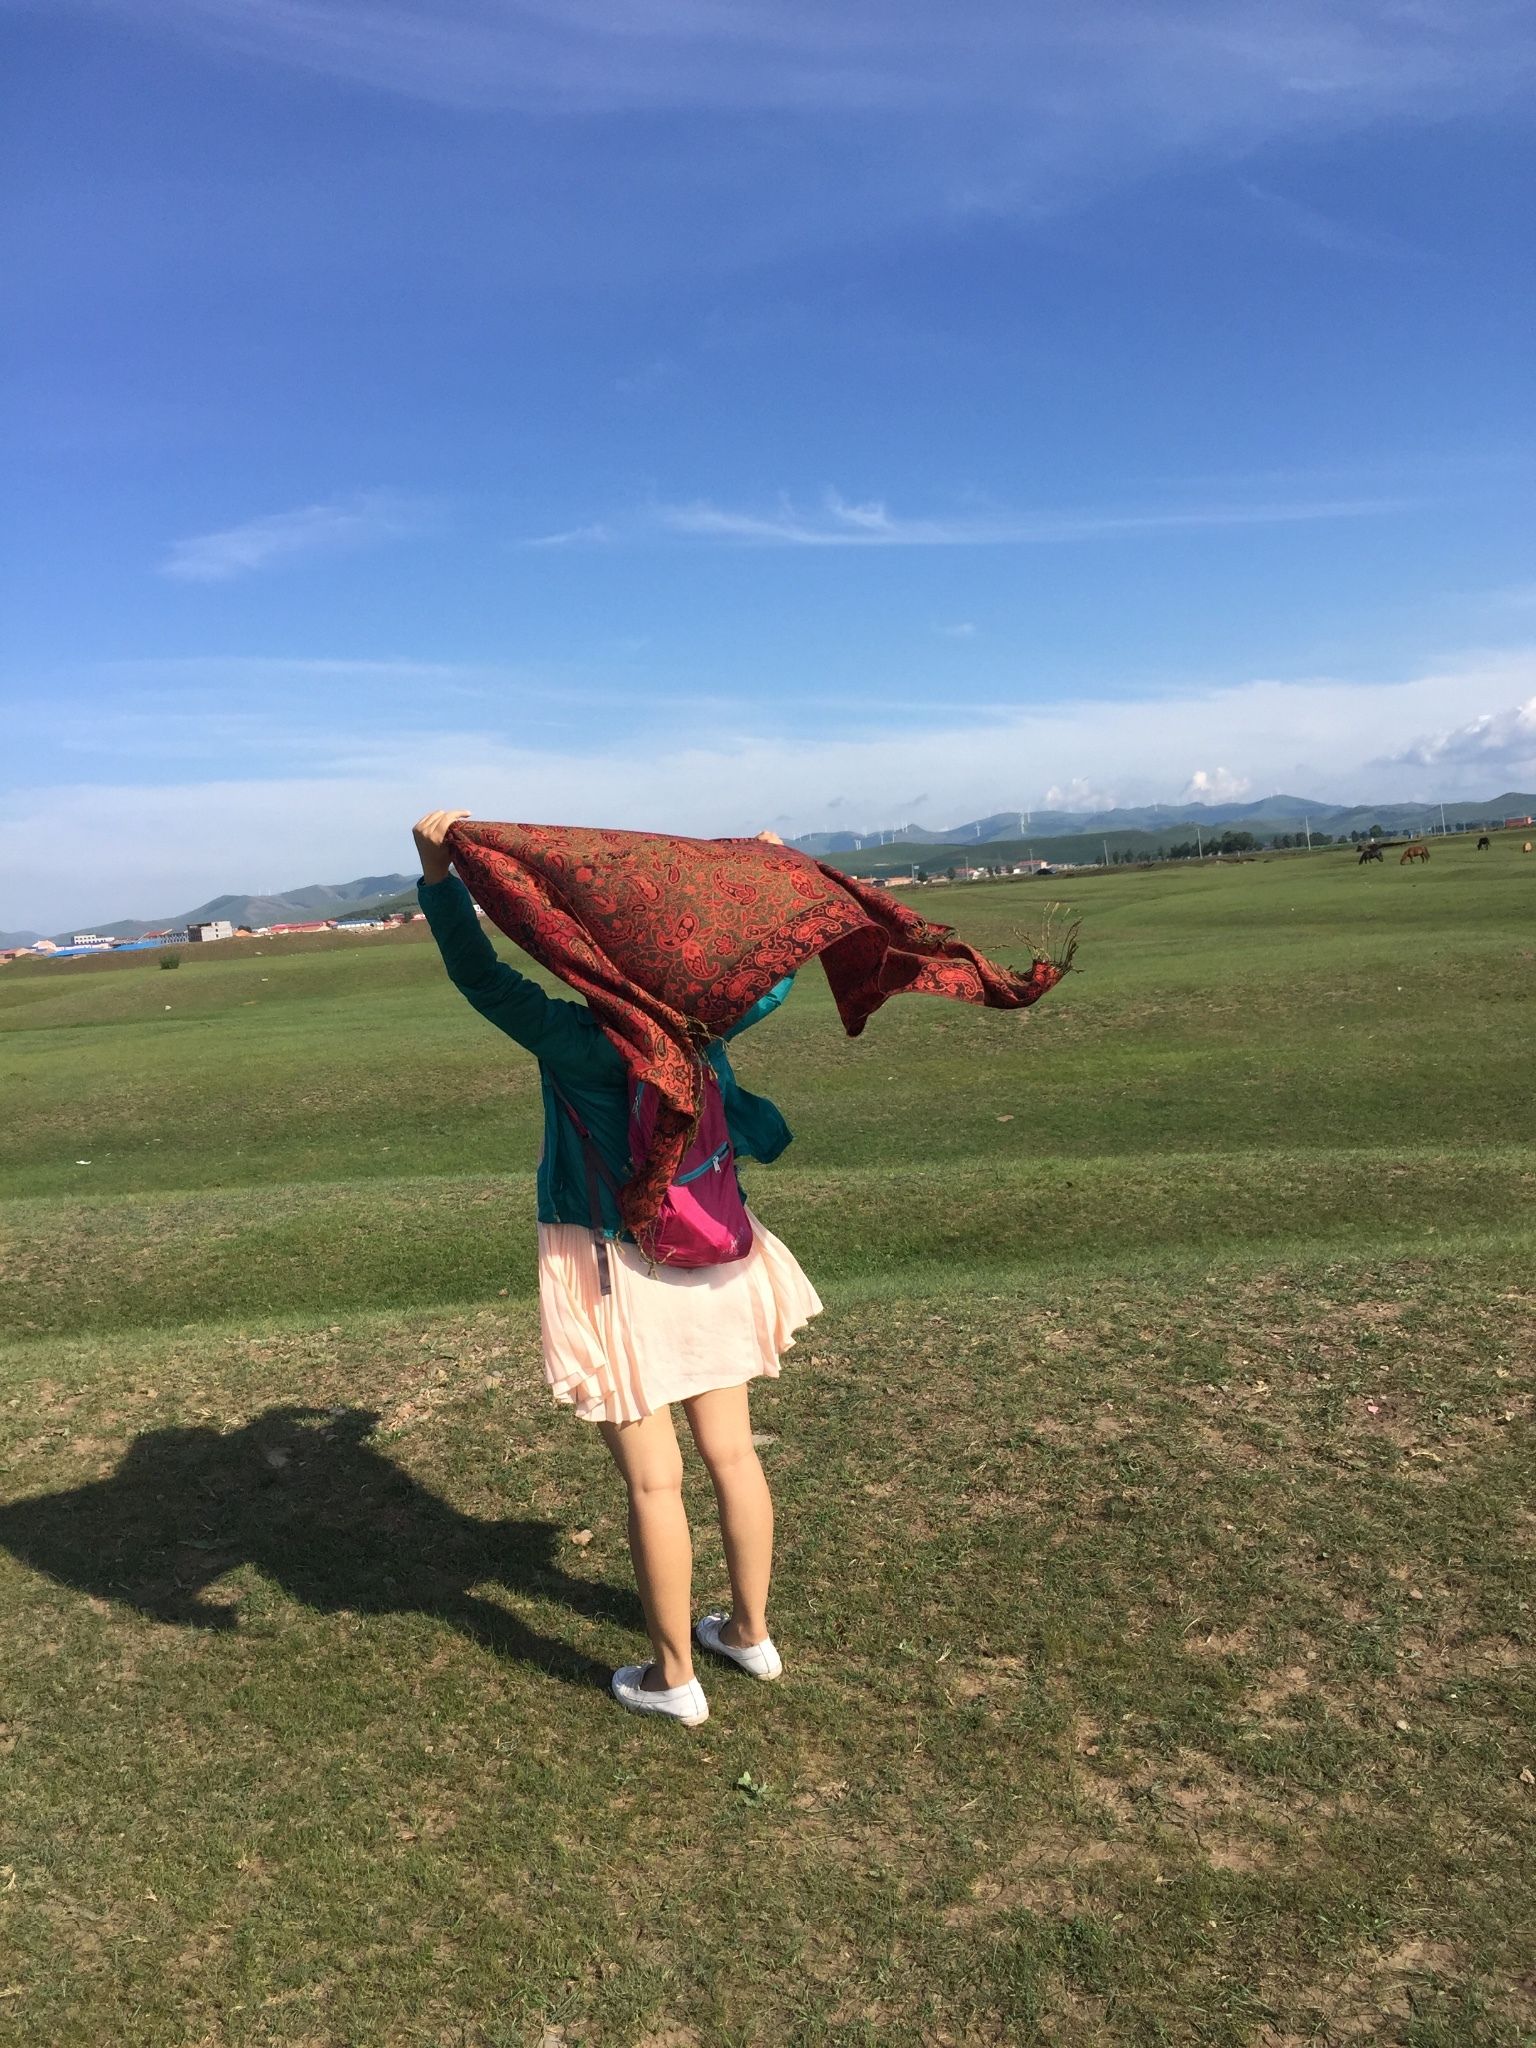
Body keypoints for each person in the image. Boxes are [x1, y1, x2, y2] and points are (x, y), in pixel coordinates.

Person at [411, 810, 822, 1726]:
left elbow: (479, 977)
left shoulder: (576, 1039)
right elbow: (774, 978)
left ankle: (674, 1678)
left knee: (652, 1481)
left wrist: (439, 879)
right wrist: (774, 878)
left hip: (619, 1268)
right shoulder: (700, 1019)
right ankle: (748, 1633)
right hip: (714, 1253)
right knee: (731, 1453)